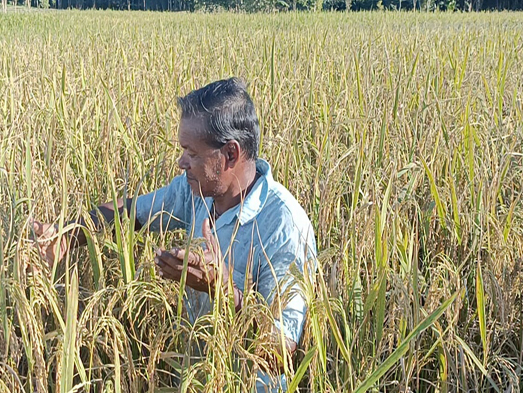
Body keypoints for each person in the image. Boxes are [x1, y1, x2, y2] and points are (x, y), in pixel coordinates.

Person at [32, 77, 317, 392]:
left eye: (191, 153)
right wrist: (68, 235)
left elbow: (280, 353)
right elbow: (130, 213)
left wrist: (221, 290)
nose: (182, 162)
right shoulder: (197, 190)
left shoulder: (285, 227)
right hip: (194, 379)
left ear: (231, 155)